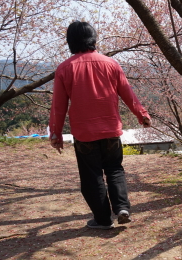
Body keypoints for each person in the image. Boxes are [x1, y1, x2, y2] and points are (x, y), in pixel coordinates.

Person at [49, 21, 151, 230]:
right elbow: (127, 93)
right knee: (115, 170)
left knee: (91, 177)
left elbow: (58, 107)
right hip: (111, 129)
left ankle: (103, 220)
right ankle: (122, 208)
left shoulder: (64, 69)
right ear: (93, 39)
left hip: (84, 133)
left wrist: (56, 135)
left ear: (71, 42)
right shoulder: (111, 64)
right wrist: (142, 115)